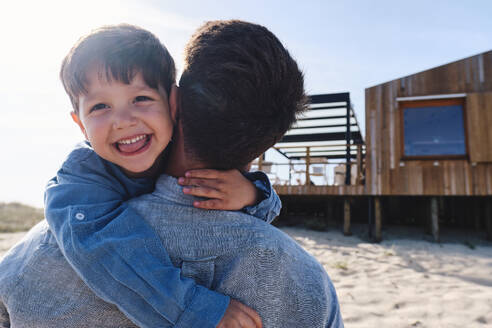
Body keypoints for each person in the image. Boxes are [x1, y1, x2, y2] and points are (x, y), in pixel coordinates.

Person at [0, 20, 344, 327]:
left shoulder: (25, 263)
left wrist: (255, 195)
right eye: (100, 106)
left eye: (141, 98)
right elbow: (104, 249)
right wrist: (196, 311)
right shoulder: (77, 190)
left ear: (172, 102)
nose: (123, 120)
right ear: (79, 124)